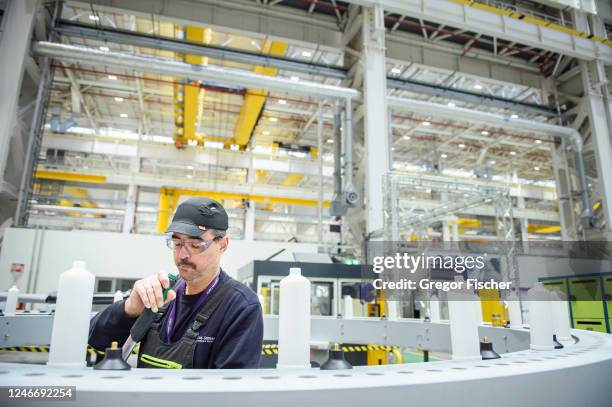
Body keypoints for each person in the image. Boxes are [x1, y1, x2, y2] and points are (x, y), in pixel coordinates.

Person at [89, 197, 263, 369]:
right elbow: (96, 341)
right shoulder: (161, 291)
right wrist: (129, 309)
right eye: (177, 242)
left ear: (223, 245)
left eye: (196, 244)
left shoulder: (240, 306)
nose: (182, 255)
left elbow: (230, 391)